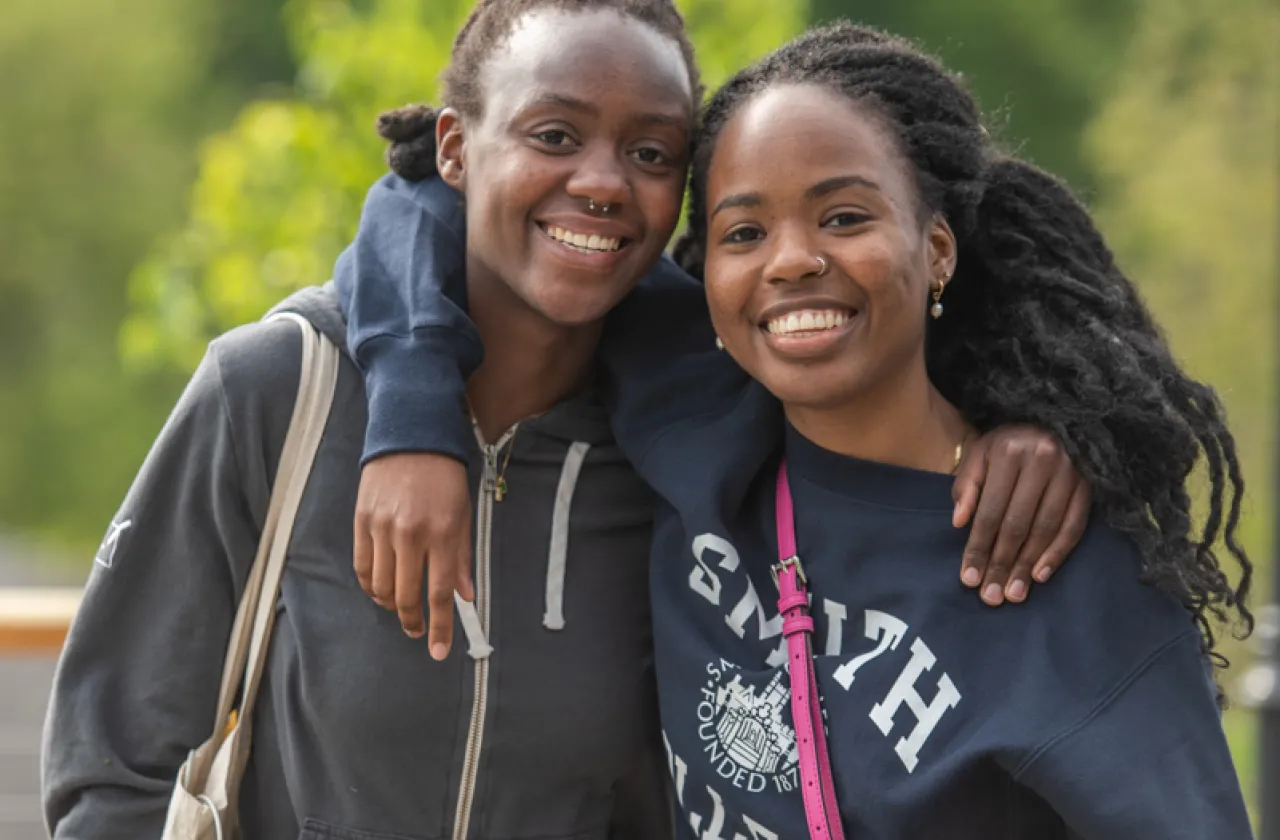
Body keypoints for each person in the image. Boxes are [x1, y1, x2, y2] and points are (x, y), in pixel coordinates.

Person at [334, 20, 1255, 839]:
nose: (793, 261)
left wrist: (1043, 428)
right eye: (742, 233)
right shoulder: (691, 399)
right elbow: (425, 198)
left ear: (937, 247)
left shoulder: (1064, 568)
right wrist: (415, 414)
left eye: (844, 217)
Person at [43, 2, 700, 838]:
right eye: (555, 136)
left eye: (651, 153)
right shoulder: (279, 389)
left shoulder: (679, 447)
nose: (605, 182)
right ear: (455, 148)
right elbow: (112, 765)